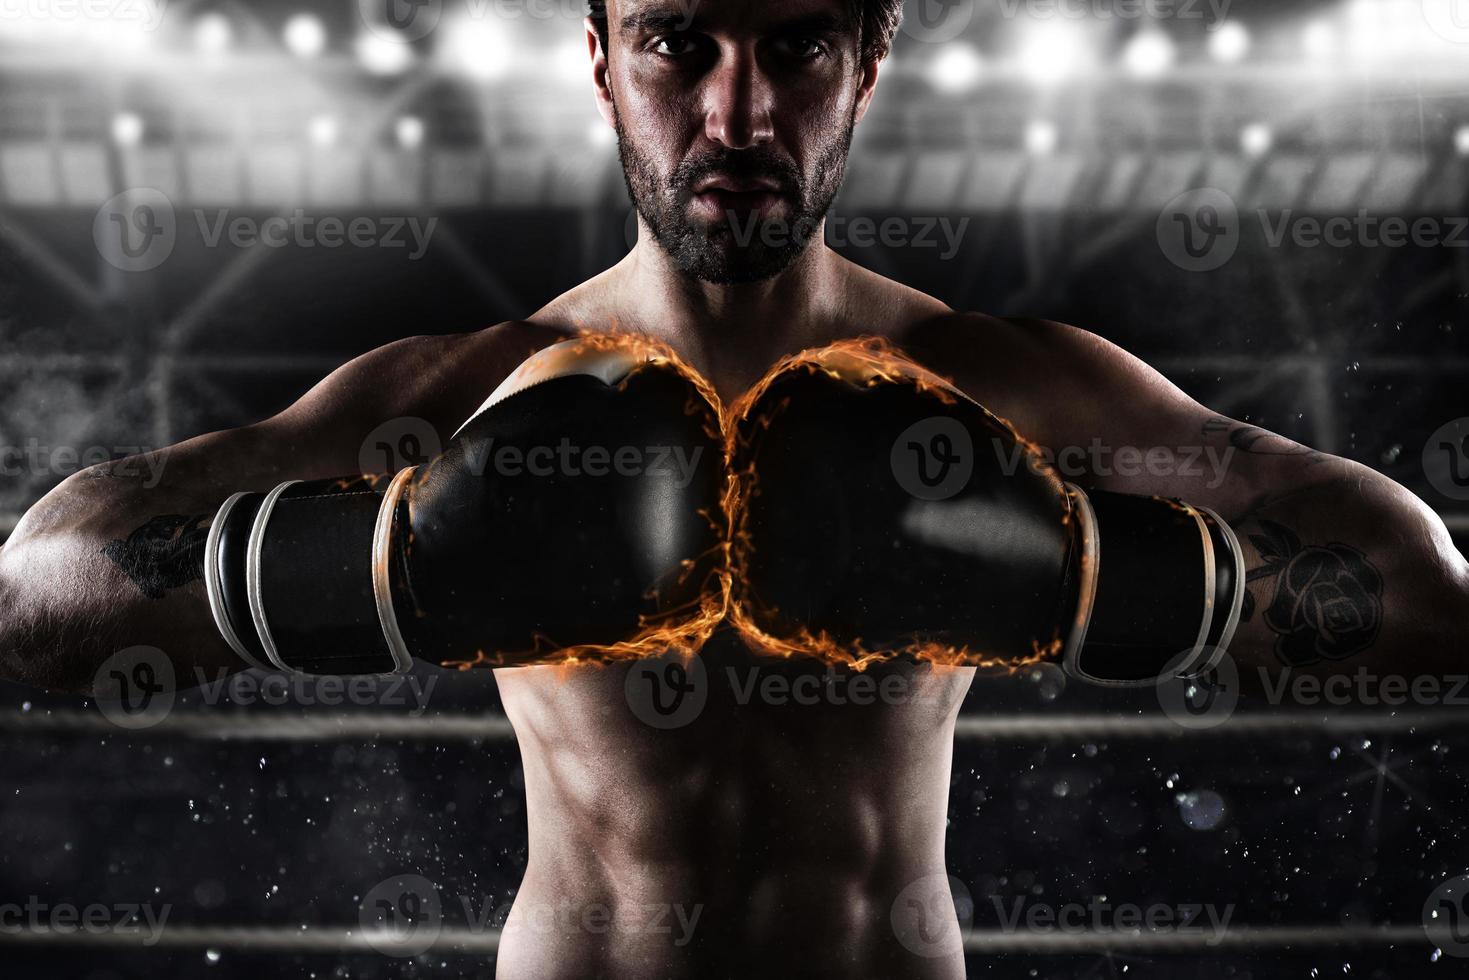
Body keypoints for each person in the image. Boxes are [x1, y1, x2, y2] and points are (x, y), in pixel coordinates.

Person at [1, 0, 1465, 976]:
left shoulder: (998, 389)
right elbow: (41, 589)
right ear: (597, 60)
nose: (740, 109)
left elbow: (1416, 596)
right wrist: (387, 565)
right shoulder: (477, 391)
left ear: (868, 65)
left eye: (799, 45)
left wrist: (1077, 574)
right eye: (677, 43)